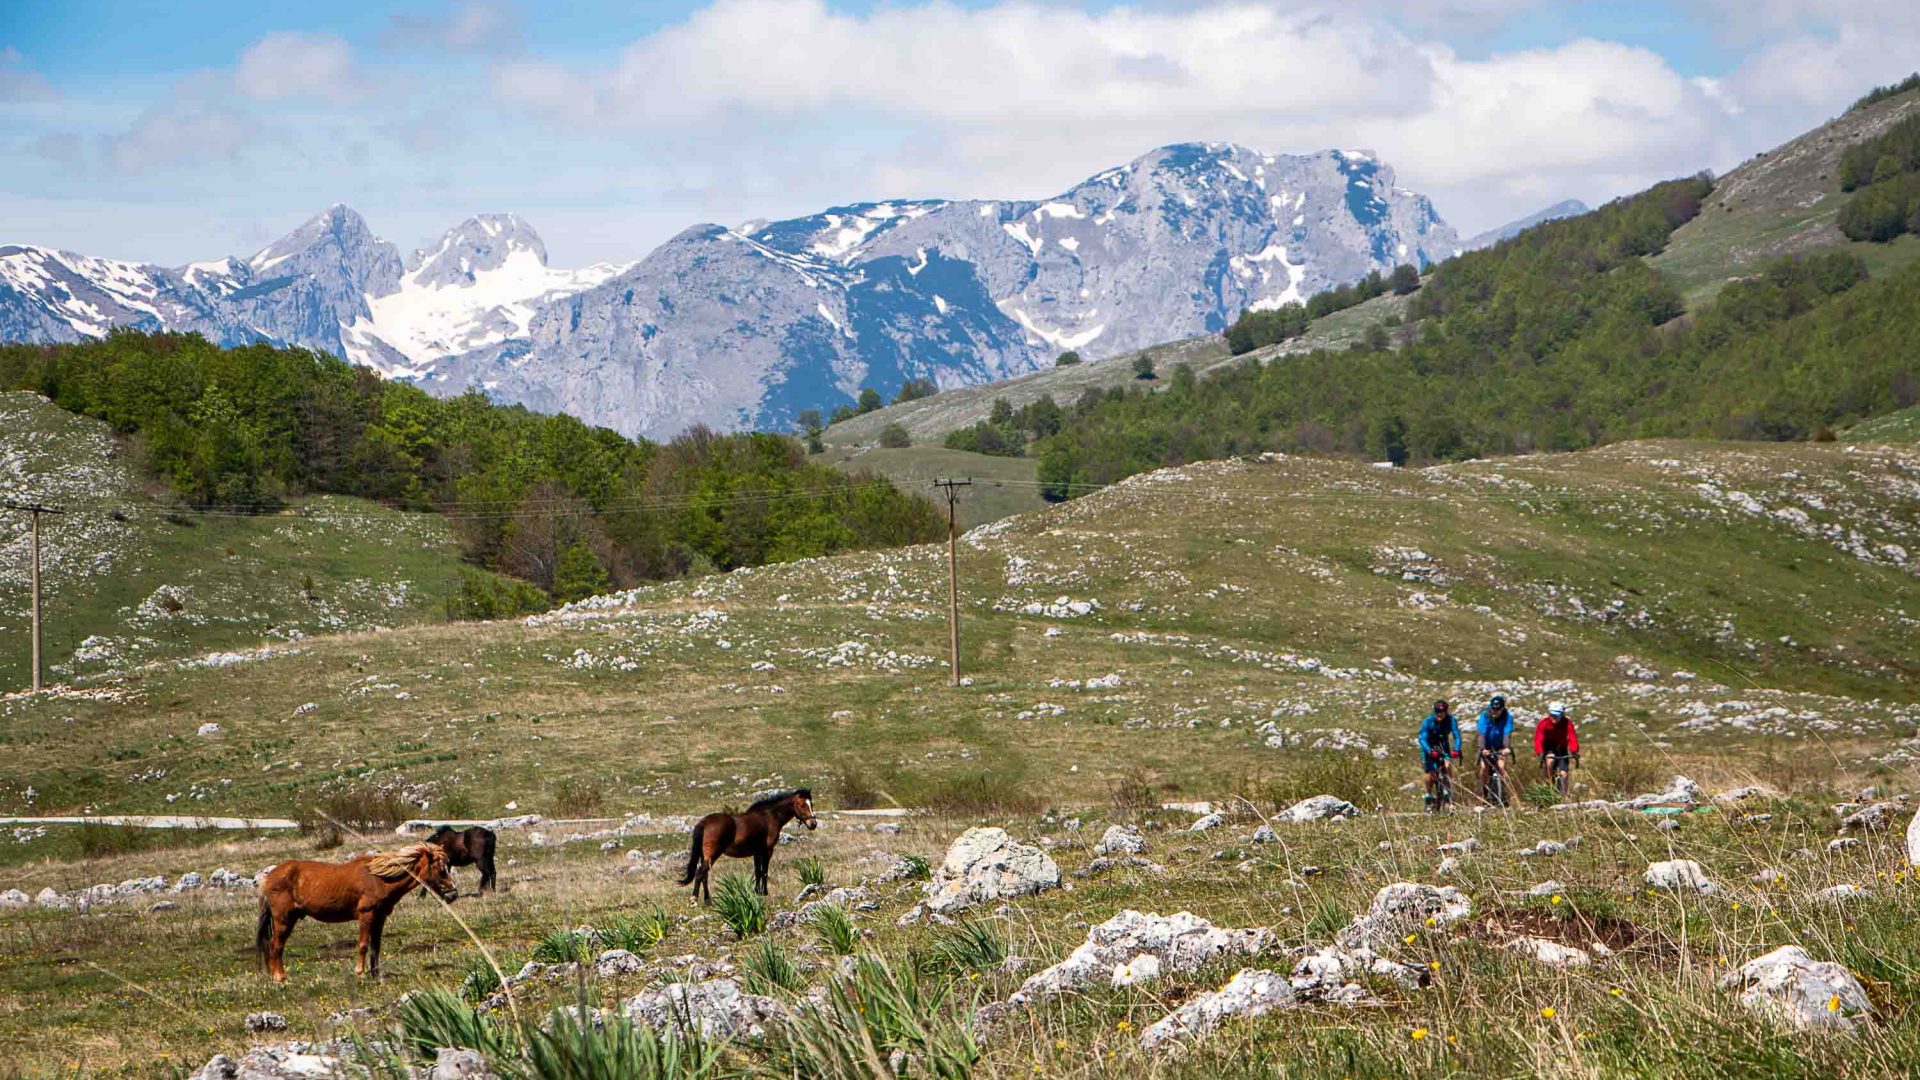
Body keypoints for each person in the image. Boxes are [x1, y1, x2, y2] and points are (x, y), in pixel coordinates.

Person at [1417, 699, 1462, 811]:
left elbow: (1457, 735)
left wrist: (1456, 749)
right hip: (1429, 747)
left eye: (1442, 711)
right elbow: (1422, 738)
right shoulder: (1429, 721)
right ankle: (1428, 795)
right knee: (1430, 772)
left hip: (1443, 747)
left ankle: (1448, 794)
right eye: (1437, 711)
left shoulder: (1451, 720)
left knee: (1447, 767)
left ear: (1446, 711)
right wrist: (1429, 751)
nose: (1440, 714)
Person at [1475, 693, 1517, 806]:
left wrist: (1506, 748)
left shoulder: (1508, 717)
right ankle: (1483, 792)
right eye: (1493, 709)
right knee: (1484, 767)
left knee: (1502, 767)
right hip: (1486, 746)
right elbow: (1481, 734)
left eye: (1498, 709)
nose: (1495, 712)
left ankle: (1504, 793)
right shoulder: (1485, 716)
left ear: (1503, 709)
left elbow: (1507, 733)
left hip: (1500, 747)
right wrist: (1482, 748)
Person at [1534, 701, 1581, 789]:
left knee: (1563, 774)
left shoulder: (1567, 723)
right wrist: (1539, 752)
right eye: (1552, 715)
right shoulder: (1543, 723)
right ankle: (1549, 787)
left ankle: (1564, 796)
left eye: (1556, 716)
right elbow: (1538, 739)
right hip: (1548, 748)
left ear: (1562, 715)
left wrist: (1574, 750)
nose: (1554, 718)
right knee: (1550, 762)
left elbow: (1572, 737)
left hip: (1561, 748)